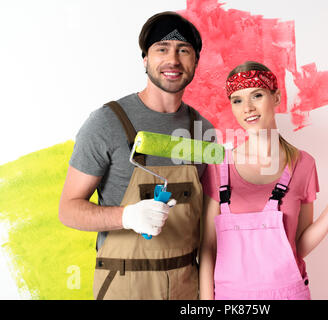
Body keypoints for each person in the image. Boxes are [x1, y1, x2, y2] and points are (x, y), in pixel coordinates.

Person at [59, 11, 215, 300]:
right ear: (145, 58)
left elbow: (208, 218)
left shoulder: (203, 130)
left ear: (196, 61)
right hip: (124, 283)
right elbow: (68, 210)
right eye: (162, 49)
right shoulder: (108, 122)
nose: (173, 60)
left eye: (184, 50)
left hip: (185, 286)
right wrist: (127, 216)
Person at [199, 61, 328, 300]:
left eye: (257, 95)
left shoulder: (303, 164)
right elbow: (207, 249)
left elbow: (298, 246)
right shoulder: (218, 165)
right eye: (237, 100)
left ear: (275, 98)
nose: (247, 108)